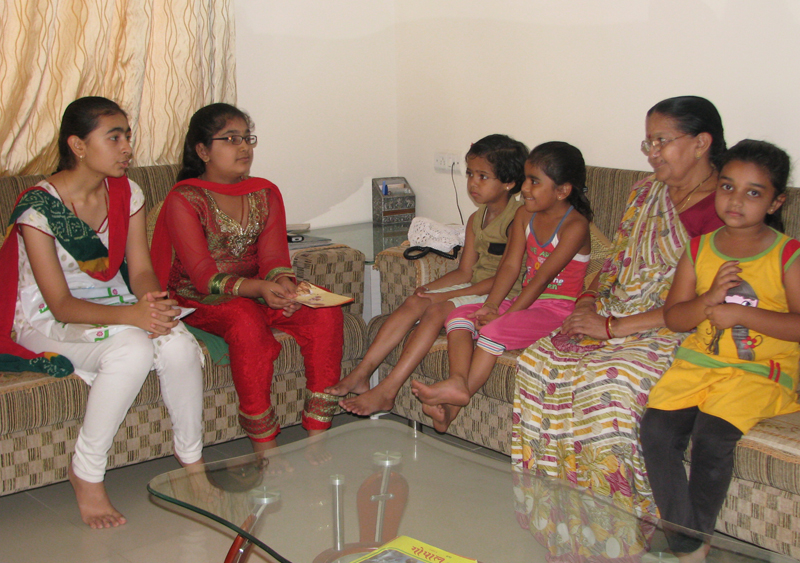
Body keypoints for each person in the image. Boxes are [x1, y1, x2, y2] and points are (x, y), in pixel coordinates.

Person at [511, 96, 727, 523]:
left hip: (679, 326)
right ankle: (563, 518)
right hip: (615, 308)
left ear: (701, 143)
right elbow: (617, 260)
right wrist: (587, 301)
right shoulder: (646, 191)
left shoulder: (725, 205)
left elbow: (707, 302)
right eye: (648, 143)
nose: (651, 153)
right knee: (538, 362)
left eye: (661, 141)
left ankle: (623, 524)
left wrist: (611, 327)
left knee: (613, 381)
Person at [0, 97, 205, 528]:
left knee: (177, 345)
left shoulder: (127, 192)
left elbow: (141, 270)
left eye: (127, 136)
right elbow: (60, 304)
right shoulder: (40, 207)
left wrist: (151, 305)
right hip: (47, 318)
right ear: (78, 145)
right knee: (132, 349)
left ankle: (193, 465)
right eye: (113, 138)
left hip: (117, 304)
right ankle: (86, 473)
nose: (126, 147)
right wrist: (133, 318)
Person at [641, 139, 800, 563]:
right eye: (728, 187)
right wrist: (708, 301)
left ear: (775, 202)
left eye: (753, 192)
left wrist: (742, 315)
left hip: (758, 371)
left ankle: (687, 545)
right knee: (656, 432)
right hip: (698, 364)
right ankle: (689, 543)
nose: (735, 200)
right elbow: (675, 318)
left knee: (712, 438)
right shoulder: (699, 249)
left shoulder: (787, 254)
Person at [150, 103, 344, 456]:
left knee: (324, 311)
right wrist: (260, 289)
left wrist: (285, 286)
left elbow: (273, 259)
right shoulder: (184, 198)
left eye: (247, 138)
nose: (244, 147)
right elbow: (203, 277)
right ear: (203, 150)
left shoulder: (264, 192)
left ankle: (318, 439)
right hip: (199, 297)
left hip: (256, 291)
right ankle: (265, 448)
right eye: (231, 139)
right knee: (245, 318)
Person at [325, 134, 529, 415]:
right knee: (416, 301)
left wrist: (446, 296)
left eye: (483, 176)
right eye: (470, 174)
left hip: (502, 293)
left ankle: (387, 390)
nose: (473, 183)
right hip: (474, 287)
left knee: (436, 310)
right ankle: (362, 373)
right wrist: (430, 288)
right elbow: (465, 271)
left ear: (509, 182)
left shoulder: (518, 218)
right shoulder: (475, 219)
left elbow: (506, 276)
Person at [412, 142, 592, 432]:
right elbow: (509, 266)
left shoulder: (575, 226)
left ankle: (454, 404)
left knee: (493, 330)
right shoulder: (525, 215)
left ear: (562, 191)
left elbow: (542, 278)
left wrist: (506, 315)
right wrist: (491, 305)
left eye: (534, 182)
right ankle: (457, 384)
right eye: (526, 179)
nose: (525, 189)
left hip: (557, 310)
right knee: (459, 315)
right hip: (526, 300)